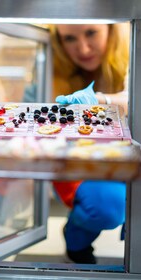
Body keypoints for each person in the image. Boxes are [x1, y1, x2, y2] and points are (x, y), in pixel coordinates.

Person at [48, 23, 130, 264]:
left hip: (127, 161)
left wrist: (99, 100)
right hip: (78, 167)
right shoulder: (50, 70)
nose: (82, 48)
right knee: (106, 205)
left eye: (91, 33)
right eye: (69, 39)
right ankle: (76, 241)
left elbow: (133, 99)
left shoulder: (132, 59)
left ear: (112, 30)